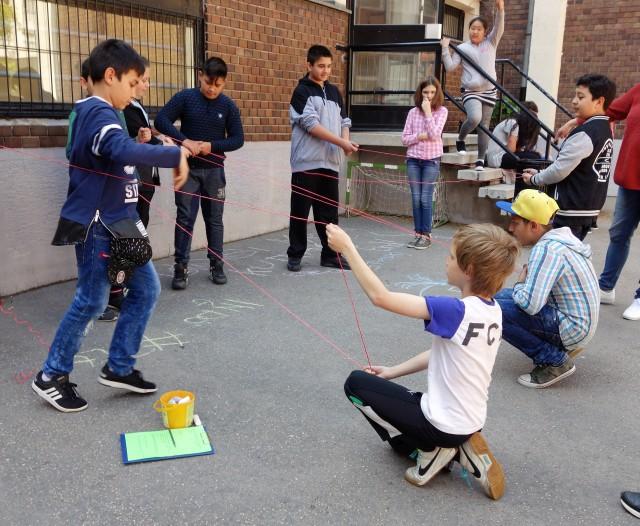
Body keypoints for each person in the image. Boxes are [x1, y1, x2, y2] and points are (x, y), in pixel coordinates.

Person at [31, 39, 190, 413]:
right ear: (110, 75)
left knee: (147, 289)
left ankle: (119, 366)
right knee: (92, 299)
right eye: (134, 83)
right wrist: (174, 153)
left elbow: (118, 155)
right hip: (97, 225)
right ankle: (51, 375)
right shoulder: (96, 113)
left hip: (122, 223)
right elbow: (117, 148)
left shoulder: (109, 112)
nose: (139, 90)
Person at [327, 222, 519, 499]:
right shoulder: (493, 310)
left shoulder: (456, 310)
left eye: (451, 256)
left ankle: (432, 452)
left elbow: (381, 297)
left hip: (440, 425)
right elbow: (441, 354)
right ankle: (459, 446)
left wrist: (347, 248)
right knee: (397, 436)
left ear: (469, 270)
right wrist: (392, 372)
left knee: (356, 383)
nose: (446, 260)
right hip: (471, 420)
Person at [155, 56, 244, 290]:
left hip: (215, 171)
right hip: (187, 172)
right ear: (200, 76)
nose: (212, 88)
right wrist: (185, 141)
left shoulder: (228, 106)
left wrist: (211, 147)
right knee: (185, 218)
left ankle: (217, 264)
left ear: (224, 83)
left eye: (218, 85)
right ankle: (181, 267)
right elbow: (161, 120)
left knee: (214, 219)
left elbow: (238, 139)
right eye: (208, 82)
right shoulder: (186, 97)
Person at [495, 190, 599, 388]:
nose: (510, 228)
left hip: (572, 327)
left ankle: (554, 361)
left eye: (515, 223)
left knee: (494, 310)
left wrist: (520, 283)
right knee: (494, 299)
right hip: (579, 323)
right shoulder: (562, 241)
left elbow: (530, 305)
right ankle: (559, 349)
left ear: (533, 225)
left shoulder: (547, 249)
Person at [557, 82, 640, 320]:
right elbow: (607, 112)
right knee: (619, 233)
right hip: (630, 179)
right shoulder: (638, 91)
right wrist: (576, 121)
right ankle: (605, 287)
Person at [286, 44, 358, 272]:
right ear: (309, 65)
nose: (325, 71)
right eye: (320, 66)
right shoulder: (302, 91)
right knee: (300, 212)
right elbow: (311, 125)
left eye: (328, 66)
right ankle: (295, 255)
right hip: (306, 163)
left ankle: (331, 256)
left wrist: (345, 143)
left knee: (328, 214)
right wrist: (341, 143)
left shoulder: (335, 92)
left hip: (330, 163)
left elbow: (345, 120)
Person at [522, 74, 616, 240]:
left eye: (580, 97)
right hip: (587, 208)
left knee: (557, 256)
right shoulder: (604, 129)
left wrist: (535, 179)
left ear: (599, 101)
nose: (574, 101)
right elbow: (575, 167)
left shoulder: (585, 133)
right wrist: (541, 171)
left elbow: (560, 170)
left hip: (571, 211)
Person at [441, 0, 505, 171]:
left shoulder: (491, 43)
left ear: (485, 32)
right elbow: (450, 67)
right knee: (475, 118)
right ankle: (461, 138)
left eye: (478, 29)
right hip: (470, 91)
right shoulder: (462, 48)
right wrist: (445, 49)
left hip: (490, 92)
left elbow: (499, 26)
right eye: (472, 28)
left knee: (484, 127)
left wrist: (500, 9)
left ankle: (480, 160)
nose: (474, 31)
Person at [123, 56, 171, 229]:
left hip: (145, 175)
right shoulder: (124, 108)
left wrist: (157, 137)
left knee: (142, 220)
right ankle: (139, 256)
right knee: (136, 225)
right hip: (136, 178)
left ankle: (141, 255)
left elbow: (144, 133)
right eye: (144, 81)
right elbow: (140, 136)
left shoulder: (136, 105)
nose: (147, 85)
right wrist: (167, 148)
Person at [401, 77, 448, 249]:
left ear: (437, 93)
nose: (428, 96)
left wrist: (428, 112)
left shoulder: (442, 111)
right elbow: (404, 139)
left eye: (432, 92)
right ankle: (417, 234)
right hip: (413, 160)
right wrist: (419, 136)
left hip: (431, 161)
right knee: (415, 199)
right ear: (420, 93)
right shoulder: (413, 112)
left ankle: (426, 235)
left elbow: (435, 135)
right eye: (425, 92)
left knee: (425, 199)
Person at [485, 100, 540, 169]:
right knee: (533, 157)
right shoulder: (513, 123)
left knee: (535, 156)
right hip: (497, 158)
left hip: (503, 156)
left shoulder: (517, 125)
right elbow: (511, 150)